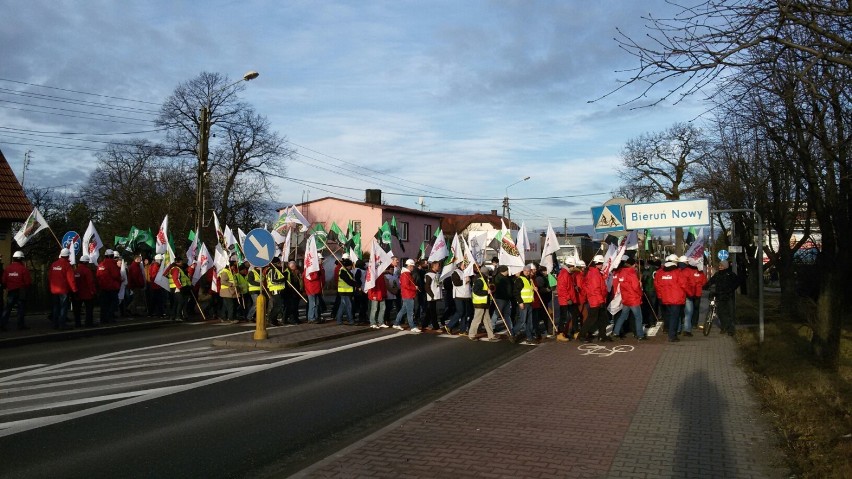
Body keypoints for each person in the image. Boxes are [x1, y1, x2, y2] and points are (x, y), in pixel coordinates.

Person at [655, 255, 689, 342]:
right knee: (675, 317)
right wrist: (690, 293)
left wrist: (660, 296)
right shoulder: (678, 272)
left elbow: (657, 285)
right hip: (676, 299)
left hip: (665, 298)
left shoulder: (660, 272)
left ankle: (669, 331)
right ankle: (672, 335)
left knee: (669, 316)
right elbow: (684, 284)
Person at [612, 256, 646, 340]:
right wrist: (640, 290)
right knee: (638, 317)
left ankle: (616, 331)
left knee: (623, 316)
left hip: (625, 298)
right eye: (635, 264)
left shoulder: (622, 272)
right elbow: (635, 287)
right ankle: (640, 335)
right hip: (633, 299)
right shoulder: (632, 273)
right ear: (633, 264)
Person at [703, 260, 741, 336]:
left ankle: (731, 330)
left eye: (722, 265)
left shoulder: (731, 274)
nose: (720, 267)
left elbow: (737, 282)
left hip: (728, 296)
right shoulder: (717, 274)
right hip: (719, 296)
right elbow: (711, 281)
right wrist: (705, 286)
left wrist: (730, 289)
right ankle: (724, 327)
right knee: (720, 313)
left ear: (726, 266)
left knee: (730, 313)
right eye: (719, 265)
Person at [578, 255, 610, 342]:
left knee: (601, 318)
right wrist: (601, 301)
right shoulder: (594, 273)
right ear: (598, 264)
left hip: (597, 299)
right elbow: (596, 289)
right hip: (596, 300)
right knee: (592, 319)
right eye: (601, 263)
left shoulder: (594, 272)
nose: (602, 265)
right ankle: (582, 335)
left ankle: (602, 335)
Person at [1, 250, 32, 331]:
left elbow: (4, 280)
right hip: (21, 291)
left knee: (8, 308)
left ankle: (2, 324)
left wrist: (7, 286)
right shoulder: (23, 269)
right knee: (21, 308)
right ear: (21, 259)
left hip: (11, 290)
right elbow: (28, 282)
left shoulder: (8, 268)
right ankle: (20, 325)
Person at [48, 248, 78, 330]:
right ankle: (62, 324)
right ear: (68, 256)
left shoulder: (54, 264)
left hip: (54, 290)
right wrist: (74, 290)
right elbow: (71, 279)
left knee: (55, 307)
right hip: (63, 290)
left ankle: (55, 324)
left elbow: (50, 276)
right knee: (63, 307)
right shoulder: (67, 265)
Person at [467, 263, 497, 341]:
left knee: (487, 320)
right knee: (477, 320)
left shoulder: (483, 279)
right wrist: (486, 292)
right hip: (479, 303)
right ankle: (471, 334)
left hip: (484, 303)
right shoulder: (480, 280)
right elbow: (476, 291)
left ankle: (491, 335)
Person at [393, 259, 420, 332]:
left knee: (403, 310)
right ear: (409, 266)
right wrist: (415, 288)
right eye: (412, 266)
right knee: (410, 312)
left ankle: (396, 323)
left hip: (407, 294)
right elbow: (406, 285)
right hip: (408, 295)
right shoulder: (405, 274)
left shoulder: (406, 274)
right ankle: (412, 326)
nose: (413, 268)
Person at [513, 264, 537, 345]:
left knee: (529, 321)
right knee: (522, 321)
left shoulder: (529, 280)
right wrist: (520, 302)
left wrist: (534, 289)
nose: (527, 272)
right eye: (525, 271)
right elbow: (516, 292)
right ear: (523, 271)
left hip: (529, 303)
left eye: (528, 271)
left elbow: (529, 290)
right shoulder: (520, 280)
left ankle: (529, 337)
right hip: (523, 303)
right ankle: (512, 332)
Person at [556, 258, 578, 341]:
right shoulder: (564, 274)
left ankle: (574, 332)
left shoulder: (567, 274)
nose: (573, 268)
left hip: (569, 299)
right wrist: (568, 298)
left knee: (574, 315)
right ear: (569, 266)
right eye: (573, 266)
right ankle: (560, 333)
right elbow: (562, 288)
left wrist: (574, 286)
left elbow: (568, 285)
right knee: (564, 317)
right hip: (565, 300)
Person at [97, 249, 121, 324]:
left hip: (103, 288)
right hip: (112, 288)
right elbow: (116, 275)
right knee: (113, 303)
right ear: (112, 256)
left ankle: (103, 319)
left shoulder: (101, 264)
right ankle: (109, 317)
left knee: (104, 305)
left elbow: (97, 275)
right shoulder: (112, 264)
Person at [446, 263, 472, 334]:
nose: (465, 266)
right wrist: (465, 281)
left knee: (465, 313)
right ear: (460, 265)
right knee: (460, 311)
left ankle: (462, 330)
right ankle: (449, 325)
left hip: (466, 295)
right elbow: (456, 283)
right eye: (464, 265)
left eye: (466, 265)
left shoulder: (467, 272)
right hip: (458, 295)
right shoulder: (456, 272)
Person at [72, 255, 97, 327]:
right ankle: (88, 323)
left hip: (78, 293)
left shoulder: (76, 270)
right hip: (87, 294)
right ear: (87, 262)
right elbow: (90, 282)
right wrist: (93, 291)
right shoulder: (87, 271)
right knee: (89, 309)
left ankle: (77, 323)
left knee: (77, 310)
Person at [166, 256, 191, 322]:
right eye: (181, 261)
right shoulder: (176, 269)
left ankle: (173, 316)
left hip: (175, 287)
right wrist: (180, 287)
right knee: (180, 302)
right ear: (179, 261)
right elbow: (176, 279)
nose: (182, 262)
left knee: (176, 302)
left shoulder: (176, 268)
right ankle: (178, 316)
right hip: (177, 288)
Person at [490, 265, 513, 334]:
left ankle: (510, 328)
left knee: (507, 314)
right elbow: (500, 288)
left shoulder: (506, 277)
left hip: (507, 298)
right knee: (497, 313)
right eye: (507, 270)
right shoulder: (499, 278)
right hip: (500, 298)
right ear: (505, 271)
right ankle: (492, 327)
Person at [686, 259, 707, 332]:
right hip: (697, 293)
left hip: (689, 293)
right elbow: (704, 282)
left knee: (688, 310)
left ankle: (688, 324)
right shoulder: (700, 272)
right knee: (696, 309)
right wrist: (699, 285)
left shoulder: (687, 271)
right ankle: (694, 324)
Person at [335, 259, 358, 324]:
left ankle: (339, 320)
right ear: (348, 265)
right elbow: (348, 281)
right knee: (348, 306)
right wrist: (356, 284)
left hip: (345, 291)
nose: (351, 267)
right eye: (351, 265)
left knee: (342, 306)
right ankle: (350, 320)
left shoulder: (345, 270)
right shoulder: (343, 271)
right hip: (345, 291)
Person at [423, 261, 443, 331]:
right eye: (438, 265)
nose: (439, 267)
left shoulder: (436, 274)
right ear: (433, 266)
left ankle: (424, 325)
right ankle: (436, 327)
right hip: (432, 296)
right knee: (433, 312)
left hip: (435, 296)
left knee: (430, 311)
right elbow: (427, 286)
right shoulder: (429, 274)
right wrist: (432, 295)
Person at [266, 257, 286, 326]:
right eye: (279, 262)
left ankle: (273, 320)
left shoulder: (276, 270)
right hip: (276, 290)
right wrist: (282, 280)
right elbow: (273, 281)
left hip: (279, 290)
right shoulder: (273, 270)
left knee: (278, 306)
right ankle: (271, 319)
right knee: (277, 306)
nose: (280, 264)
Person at [303, 258, 323, 323]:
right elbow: (311, 278)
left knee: (317, 304)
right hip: (311, 290)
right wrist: (318, 273)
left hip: (316, 289)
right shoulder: (309, 270)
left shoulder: (315, 269)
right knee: (312, 304)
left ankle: (316, 317)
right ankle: (311, 318)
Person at [219, 257, 238, 322]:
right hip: (227, 290)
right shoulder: (225, 272)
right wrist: (231, 284)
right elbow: (223, 281)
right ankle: (231, 318)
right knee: (230, 305)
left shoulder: (230, 272)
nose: (234, 268)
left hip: (229, 291)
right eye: (233, 266)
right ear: (231, 266)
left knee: (225, 305)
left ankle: (223, 317)